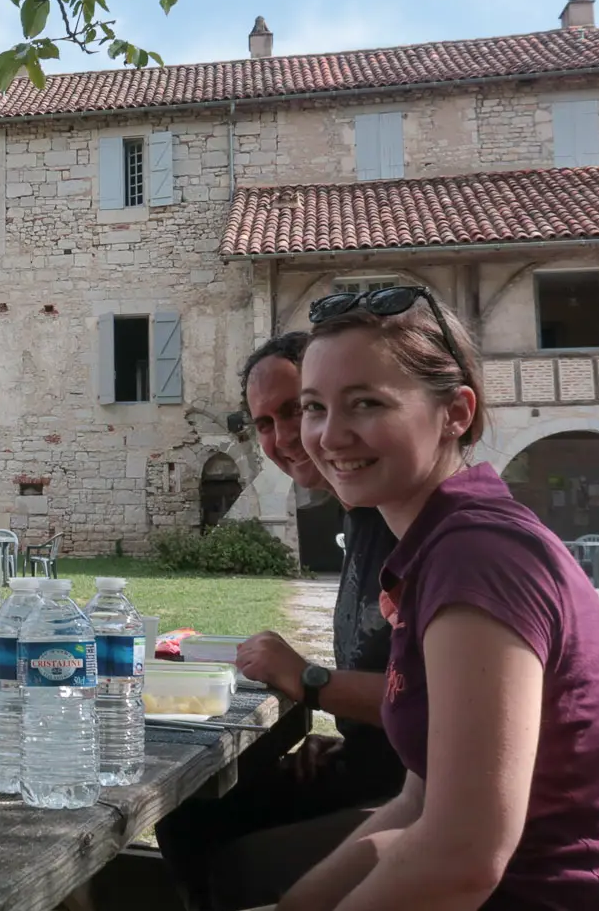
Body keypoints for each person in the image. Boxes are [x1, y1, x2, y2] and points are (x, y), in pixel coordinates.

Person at [281, 286, 599, 910]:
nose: (330, 435)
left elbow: (462, 858)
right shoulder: (437, 545)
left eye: (366, 403)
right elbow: (420, 801)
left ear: (456, 412)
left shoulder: (477, 559)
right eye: (314, 407)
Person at [155, 333, 405, 911]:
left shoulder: (421, 531)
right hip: (386, 770)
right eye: (264, 423)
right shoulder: (368, 520)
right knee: (189, 811)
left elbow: (436, 711)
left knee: (231, 854)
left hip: (426, 796)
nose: (286, 438)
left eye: (299, 409)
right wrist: (355, 744)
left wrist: (310, 679)